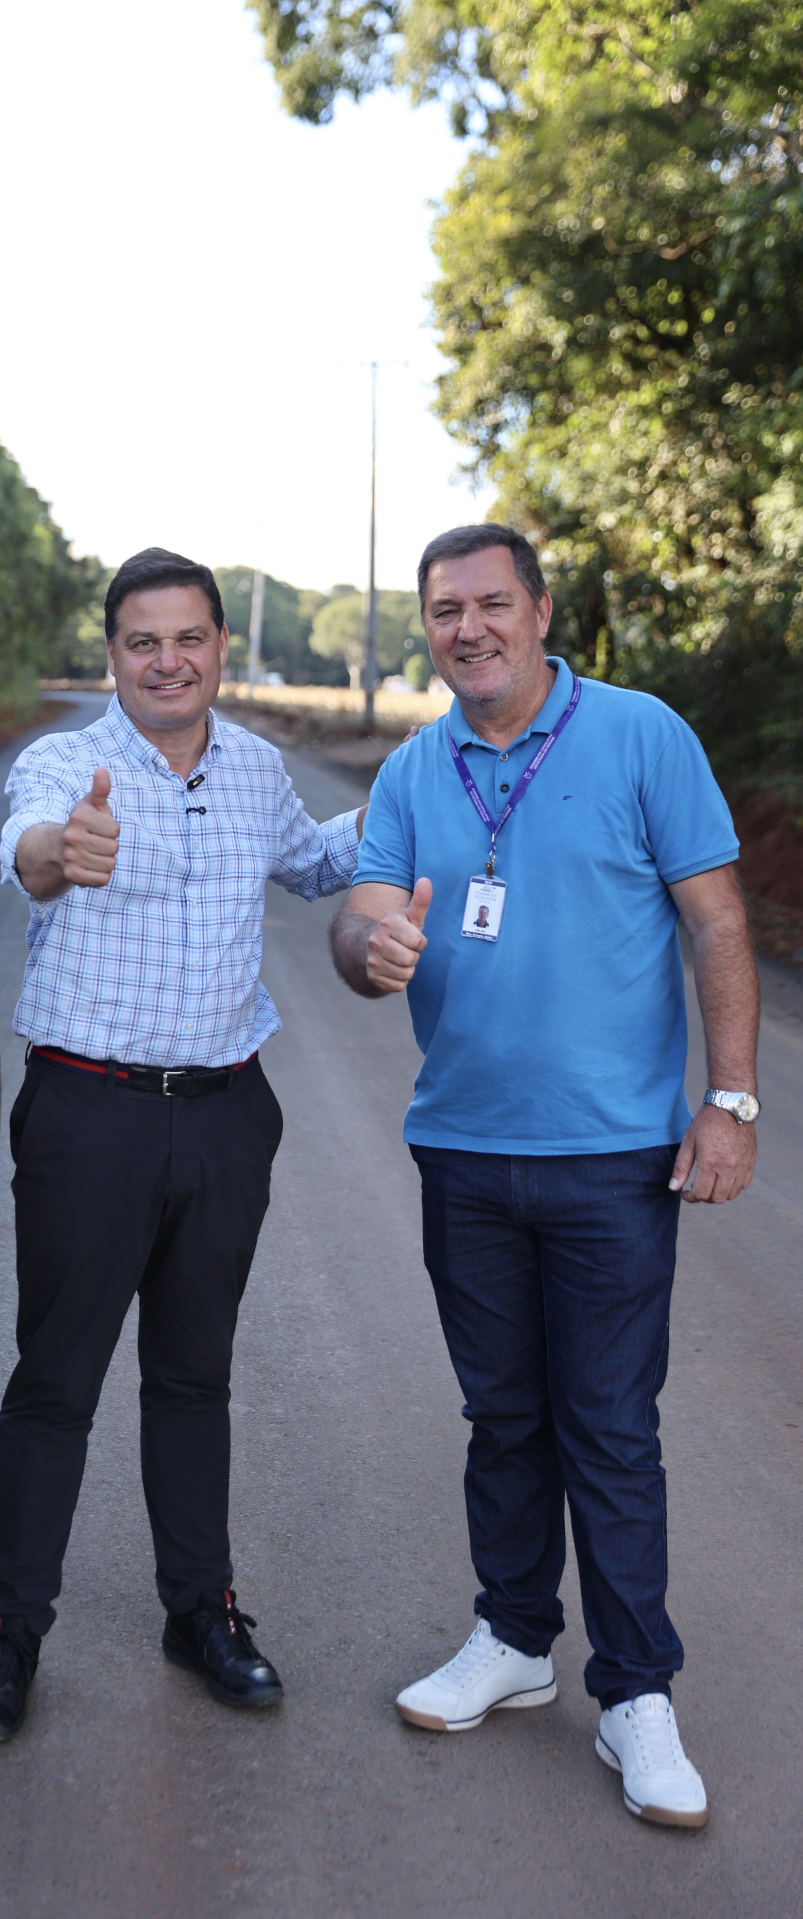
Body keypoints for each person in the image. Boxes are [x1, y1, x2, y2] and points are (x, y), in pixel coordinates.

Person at [331, 524, 758, 1829]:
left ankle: (635, 1693)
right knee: (503, 1415)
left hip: (612, 1159)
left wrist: (729, 1098)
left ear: (540, 609)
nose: (468, 629)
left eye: (491, 603)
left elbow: (719, 920)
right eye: (445, 610)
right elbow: (360, 916)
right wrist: (369, 949)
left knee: (609, 1427)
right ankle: (515, 1640)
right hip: (463, 1151)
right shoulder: (416, 762)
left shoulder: (639, 735)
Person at [0, 546, 366, 1741]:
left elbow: (317, 866)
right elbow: (32, 846)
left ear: (221, 649)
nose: (168, 661)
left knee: (194, 1378)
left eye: (189, 639)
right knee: (55, 1385)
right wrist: (58, 856)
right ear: (114, 654)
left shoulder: (253, 769)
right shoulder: (65, 763)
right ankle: (10, 1629)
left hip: (229, 1115)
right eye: (144, 642)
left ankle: (202, 1611)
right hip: (92, 1115)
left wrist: (417, 797)